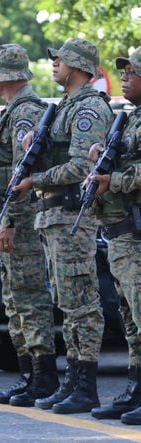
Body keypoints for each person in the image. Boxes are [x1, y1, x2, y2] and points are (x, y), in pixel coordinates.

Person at [12, 37, 112, 414]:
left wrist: (34, 181)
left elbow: (82, 168)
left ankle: (85, 385)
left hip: (73, 216)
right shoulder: (63, 107)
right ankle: (72, 380)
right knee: (67, 305)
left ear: (80, 66)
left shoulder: (88, 108)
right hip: (53, 216)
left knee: (81, 305)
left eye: (60, 59)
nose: (54, 63)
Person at [0, 44, 58, 407]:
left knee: (28, 299)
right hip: (9, 218)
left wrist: (8, 220)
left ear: (4, 77)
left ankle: (43, 378)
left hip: (22, 222)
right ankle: (29, 376)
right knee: (15, 302)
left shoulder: (25, 112)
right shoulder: (13, 112)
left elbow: (20, 171)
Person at [87, 46, 141, 425]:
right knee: (132, 322)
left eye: (132, 70)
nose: (124, 75)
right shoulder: (131, 118)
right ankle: (136, 390)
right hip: (122, 235)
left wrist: (114, 180)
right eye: (122, 70)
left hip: (136, 235)